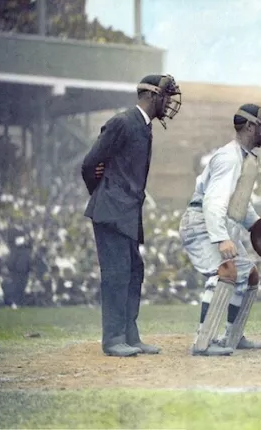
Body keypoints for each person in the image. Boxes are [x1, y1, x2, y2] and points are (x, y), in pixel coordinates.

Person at [81, 74, 182, 357]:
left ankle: (130, 336)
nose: (169, 102)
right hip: (113, 211)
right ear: (150, 96)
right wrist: (104, 194)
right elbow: (90, 163)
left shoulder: (144, 126)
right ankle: (113, 339)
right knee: (116, 275)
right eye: (165, 96)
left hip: (127, 213)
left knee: (134, 272)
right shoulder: (122, 122)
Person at [178, 103, 261, 356]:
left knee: (249, 275)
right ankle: (203, 343)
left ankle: (232, 336)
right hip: (201, 223)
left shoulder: (244, 157)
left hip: (218, 221)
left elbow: (239, 204)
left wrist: (259, 226)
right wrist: (220, 238)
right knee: (225, 271)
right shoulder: (229, 158)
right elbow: (214, 200)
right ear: (248, 126)